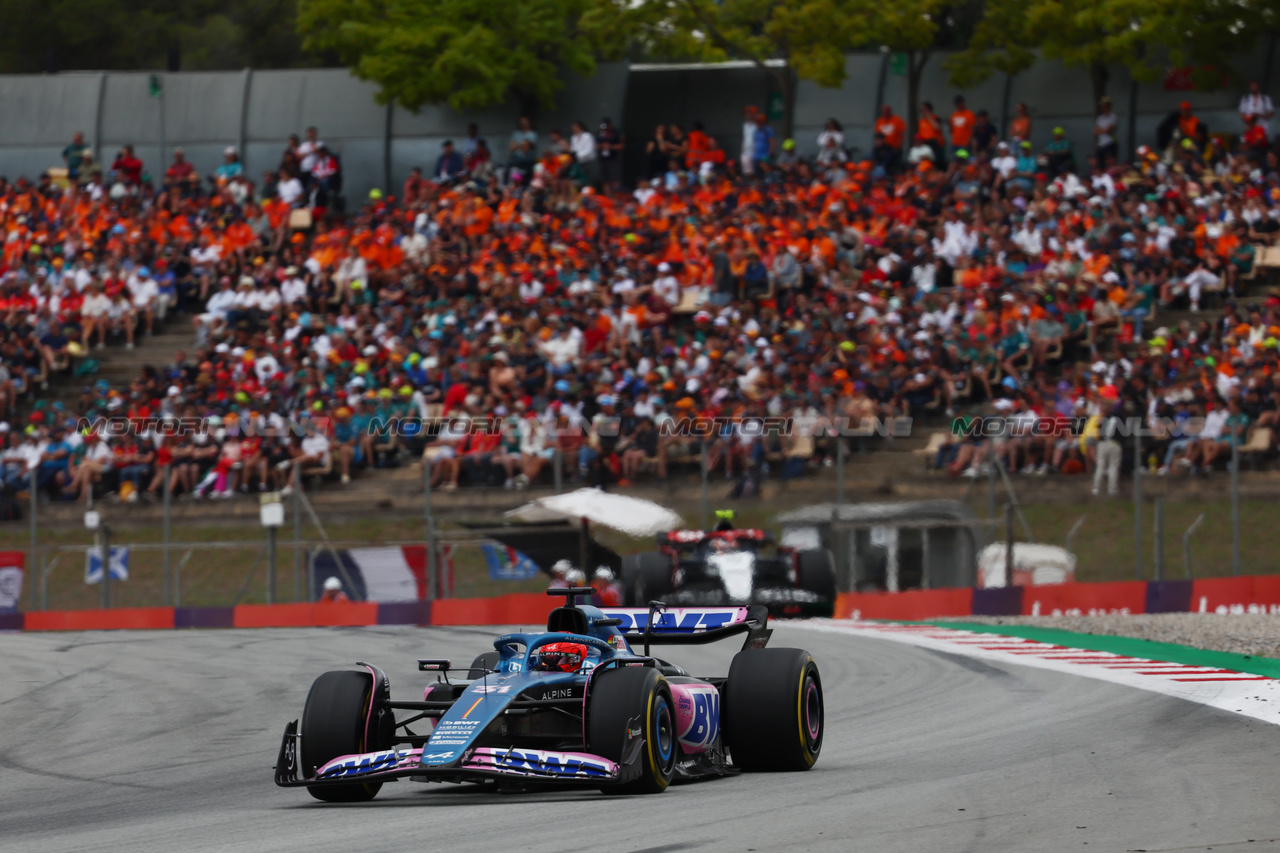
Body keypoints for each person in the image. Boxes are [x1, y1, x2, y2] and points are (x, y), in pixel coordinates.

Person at [596, 117, 624, 192]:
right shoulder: (600, 132)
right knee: (605, 180)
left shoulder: (617, 132)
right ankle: (608, 198)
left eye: (606, 127)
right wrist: (602, 146)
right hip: (602, 159)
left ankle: (616, 197)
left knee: (614, 180)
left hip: (613, 159)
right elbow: (596, 144)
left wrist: (611, 147)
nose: (605, 129)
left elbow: (622, 145)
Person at [948, 95, 976, 159]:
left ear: (962, 103)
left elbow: (972, 130)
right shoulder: (954, 114)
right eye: (956, 104)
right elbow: (951, 130)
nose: (957, 105)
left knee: (959, 161)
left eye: (958, 103)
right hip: (955, 143)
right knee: (958, 160)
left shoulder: (969, 114)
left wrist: (968, 142)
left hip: (964, 143)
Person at [1093, 97, 1118, 165]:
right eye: (1103, 106)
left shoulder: (1113, 116)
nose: (1104, 108)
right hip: (1101, 144)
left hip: (1110, 142)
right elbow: (1095, 133)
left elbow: (1108, 130)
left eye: (1106, 106)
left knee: (1110, 162)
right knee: (1100, 163)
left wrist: (1101, 130)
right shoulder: (1099, 118)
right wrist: (1103, 130)